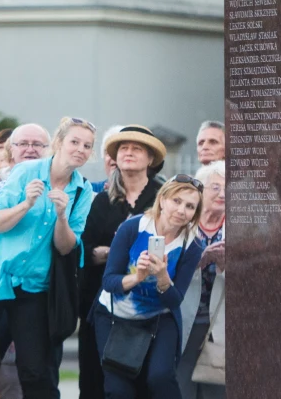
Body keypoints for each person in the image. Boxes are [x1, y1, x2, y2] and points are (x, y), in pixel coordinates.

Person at [0, 117, 97, 398]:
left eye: (87, 146)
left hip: (33, 287)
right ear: (59, 143)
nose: (80, 149)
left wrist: (62, 216)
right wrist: (26, 204)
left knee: (36, 371)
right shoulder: (26, 171)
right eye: (74, 142)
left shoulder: (82, 190)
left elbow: (66, 247)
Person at [93, 175, 206, 399]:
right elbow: (109, 281)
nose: (182, 210)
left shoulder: (192, 245)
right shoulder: (133, 227)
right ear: (162, 199)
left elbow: (174, 300)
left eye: (190, 206)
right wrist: (137, 277)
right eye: (177, 201)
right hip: (115, 314)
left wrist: (163, 276)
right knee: (118, 390)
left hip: (159, 318)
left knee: (160, 378)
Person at [79, 126, 167, 399]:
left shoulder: (164, 198)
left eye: (137, 148)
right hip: (102, 300)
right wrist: (113, 251)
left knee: (143, 380)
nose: (128, 153)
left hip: (149, 304)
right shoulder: (101, 201)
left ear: (150, 159)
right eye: (123, 148)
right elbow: (85, 249)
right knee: (97, 379)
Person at [178, 162, 226, 399]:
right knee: (180, 388)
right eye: (215, 187)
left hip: (221, 323)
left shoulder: (240, 227)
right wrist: (200, 260)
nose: (223, 194)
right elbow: (165, 270)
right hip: (183, 320)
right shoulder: (181, 224)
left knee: (216, 390)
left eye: (230, 188)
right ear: (200, 191)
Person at [0, 124, 52, 245]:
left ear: (49, 150)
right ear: (11, 150)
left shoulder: (57, 189)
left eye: (37, 144)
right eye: (23, 144)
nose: (30, 149)